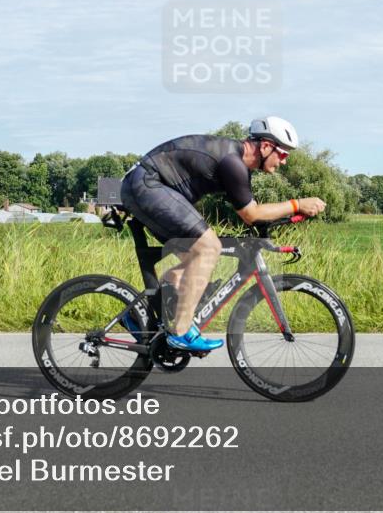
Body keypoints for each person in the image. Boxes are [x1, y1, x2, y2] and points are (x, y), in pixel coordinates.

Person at [120, 116, 326, 352]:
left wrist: (288, 214)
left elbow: (251, 213)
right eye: (283, 154)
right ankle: (180, 332)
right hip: (148, 185)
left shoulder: (237, 165)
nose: (284, 162)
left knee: (194, 262)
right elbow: (252, 214)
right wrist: (297, 204)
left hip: (148, 185)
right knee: (209, 247)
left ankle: (138, 317)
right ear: (266, 146)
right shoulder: (233, 163)